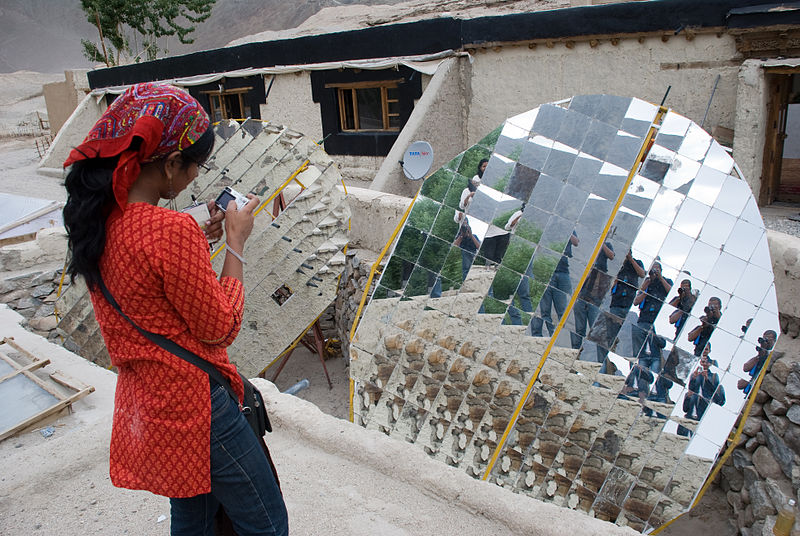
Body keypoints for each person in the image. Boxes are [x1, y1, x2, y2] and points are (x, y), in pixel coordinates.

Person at [62, 83, 288, 536]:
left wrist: (192, 238)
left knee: (194, 519)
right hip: (196, 405)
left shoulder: (98, 220)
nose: (193, 179)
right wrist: (236, 243)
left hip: (150, 402)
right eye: (193, 167)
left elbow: (145, 285)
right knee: (266, 523)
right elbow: (221, 327)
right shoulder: (168, 231)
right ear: (169, 163)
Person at [624, 261, 672, 399]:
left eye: (657, 269)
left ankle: (656, 392)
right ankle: (642, 391)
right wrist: (647, 284)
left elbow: (670, 294)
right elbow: (636, 301)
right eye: (653, 270)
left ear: (661, 270)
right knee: (642, 357)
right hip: (643, 320)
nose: (655, 272)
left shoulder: (666, 281)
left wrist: (660, 278)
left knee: (656, 355)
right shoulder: (647, 283)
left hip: (657, 321)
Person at [594, 250, 646, 367]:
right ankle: (603, 362)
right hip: (616, 304)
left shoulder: (636, 263)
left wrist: (631, 260)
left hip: (628, 304)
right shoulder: (618, 265)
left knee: (625, 335)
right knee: (607, 334)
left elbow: (642, 274)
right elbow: (610, 283)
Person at [531, 231, 579, 337]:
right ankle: (547, 335)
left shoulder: (571, 228)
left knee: (562, 310)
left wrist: (568, 229)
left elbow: (576, 242)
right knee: (545, 310)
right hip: (546, 270)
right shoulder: (552, 226)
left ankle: (556, 336)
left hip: (563, 272)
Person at [571, 240, 614, 349]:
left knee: (595, 329)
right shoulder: (589, 250)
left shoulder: (607, 245)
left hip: (595, 298)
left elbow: (611, 256)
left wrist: (602, 243)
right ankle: (576, 350)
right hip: (582, 295)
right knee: (579, 328)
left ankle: (596, 354)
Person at [678, 344, 725, 436]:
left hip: (704, 416)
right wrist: (693, 379)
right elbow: (685, 407)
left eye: (706, 349)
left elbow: (718, 399)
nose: (704, 363)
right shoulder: (695, 375)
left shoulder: (714, 377)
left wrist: (707, 380)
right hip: (690, 416)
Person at [738, 330, 778, 395]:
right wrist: (760, 354)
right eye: (765, 338)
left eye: (769, 339)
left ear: (775, 341)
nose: (767, 341)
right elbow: (746, 368)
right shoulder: (759, 356)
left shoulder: (775, 355)